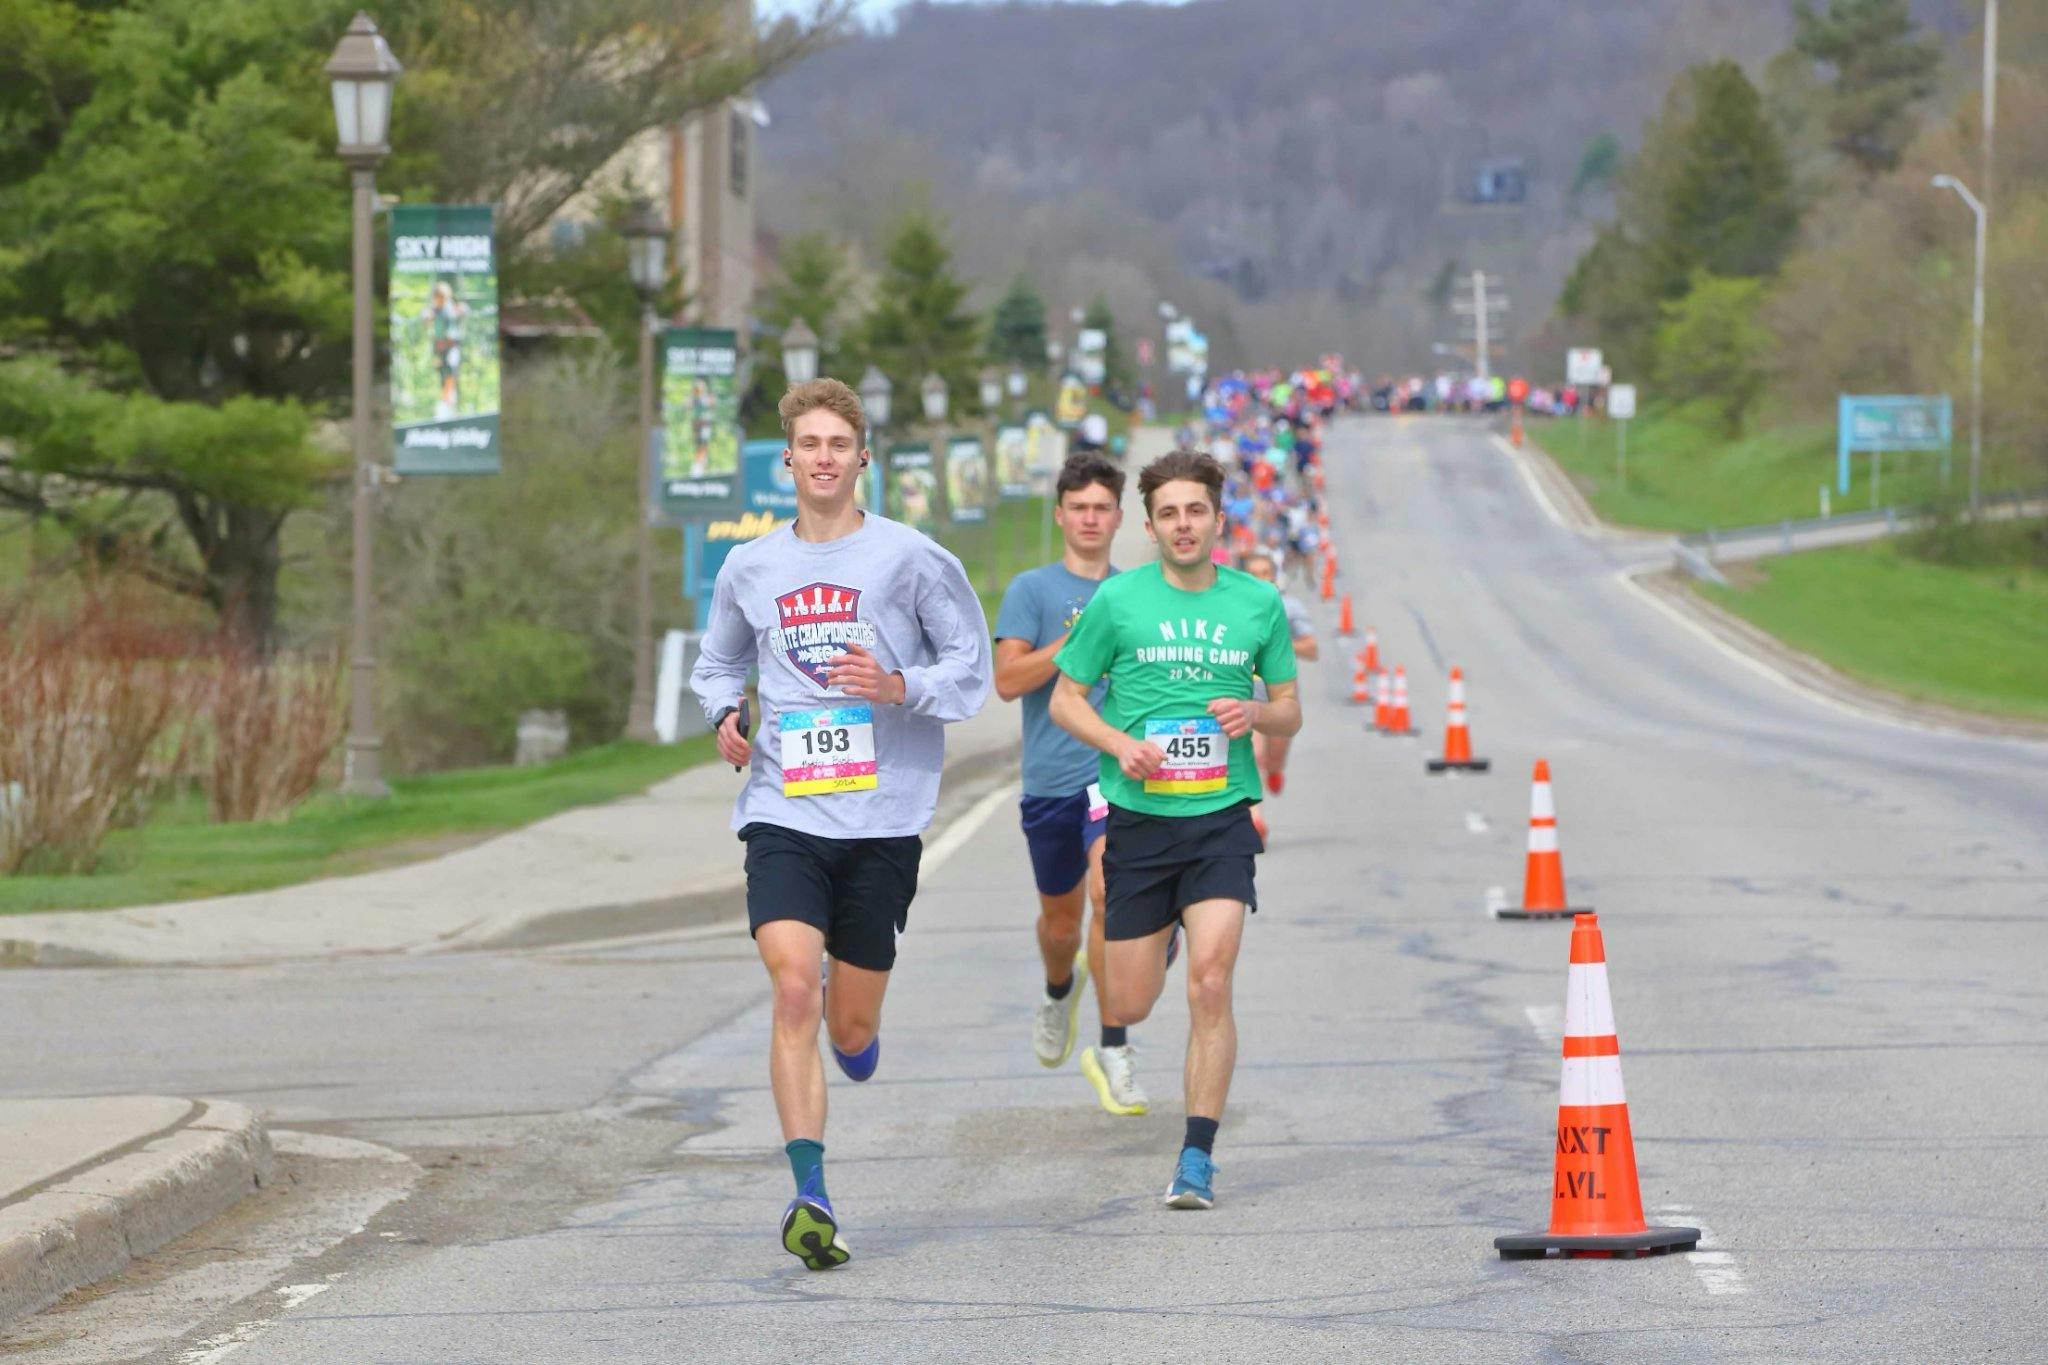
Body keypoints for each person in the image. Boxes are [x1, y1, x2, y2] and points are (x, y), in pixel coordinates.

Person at [689, 377, 992, 1271]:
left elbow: (968, 668)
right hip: (783, 807)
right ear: (787, 459)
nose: (823, 458)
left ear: (863, 458)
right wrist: (724, 717)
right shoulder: (750, 567)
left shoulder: (912, 559)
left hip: (883, 814)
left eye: (839, 444)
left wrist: (899, 686)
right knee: (792, 989)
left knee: (847, 1025)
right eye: (808, 444)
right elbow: (717, 661)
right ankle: (810, 1194)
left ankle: (855, 1041)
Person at [1049, 448, 1302, 1210]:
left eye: (1196, 510)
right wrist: (1119, 743)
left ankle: (1196, 1157)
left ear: (1218, 519)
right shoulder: (1119, 602)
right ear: (1151, 526)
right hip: (1140, 821)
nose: (1183, 524)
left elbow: (1290, 708)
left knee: (1213, 981)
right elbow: (1066, 698)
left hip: (1221, 816)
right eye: (1168, 513)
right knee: (1129, 1001)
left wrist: (1256, 712)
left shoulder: (1256, 604)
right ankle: (1158, 931)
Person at [993, 454, 1151, 1116]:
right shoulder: (1032, 589)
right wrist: (1077, 643)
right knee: (1060, 925)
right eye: (1078, 507)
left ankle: (1114, 1048)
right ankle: (1061, 988)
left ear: (1119, 518)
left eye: (1101, 508)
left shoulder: (1137, 592)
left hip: (1110, 776)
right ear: (1061, 514)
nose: (1090, 518)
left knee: (1108, 890)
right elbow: (1008, 682)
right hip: (1050, 781)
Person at [1242, 549, 1319, 803]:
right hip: (1246, 693)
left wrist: (1278, 645)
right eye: (1254, 574)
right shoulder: (1233, 610)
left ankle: (1274, 772)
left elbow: (1311, 648)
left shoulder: (1289, 607)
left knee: (1274, 759)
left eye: (1265, 573)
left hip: (1280, 694)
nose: (1260, 579)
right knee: (1254, 755)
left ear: (1274, 577)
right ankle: (1255, 818)